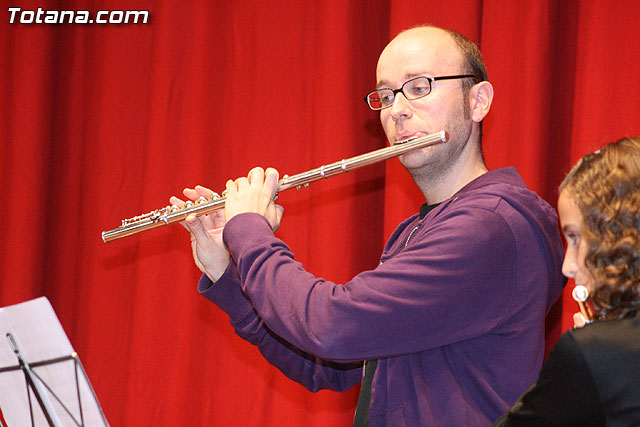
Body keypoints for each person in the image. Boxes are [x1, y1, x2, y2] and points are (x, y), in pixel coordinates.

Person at [173, 25, 565, 426]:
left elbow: (330, 326)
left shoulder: (490, 227)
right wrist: (227, 270)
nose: (397, 110)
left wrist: (250, 231)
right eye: (386, 96)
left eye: (419, 87)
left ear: (477, 100)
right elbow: (327, 366)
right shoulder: (416, 231)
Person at [493, 137, 640, 426]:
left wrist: (589, 356)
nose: (567, 266)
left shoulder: (597, 351)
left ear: (619, 234)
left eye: (575, 237)